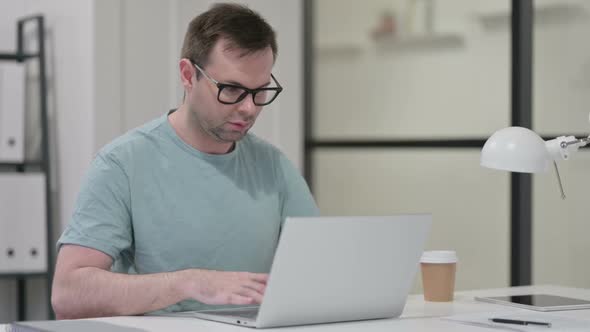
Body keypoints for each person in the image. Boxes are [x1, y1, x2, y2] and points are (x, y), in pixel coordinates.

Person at [51, 3, 319, 319]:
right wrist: (188, 283)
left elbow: (319, 267)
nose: (249, 108)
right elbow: (68, 294)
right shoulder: (122, 164)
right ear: (188, 75)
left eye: (260, 92)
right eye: (232, 89)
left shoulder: (273, 166)